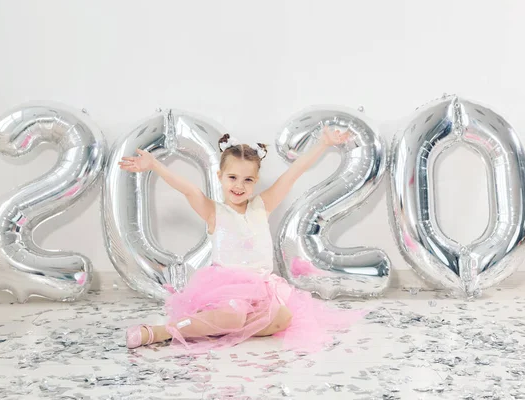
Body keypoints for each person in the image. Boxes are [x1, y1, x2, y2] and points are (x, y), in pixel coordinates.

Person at [118, 127, 367, 352]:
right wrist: (154, 165)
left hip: (262, 289)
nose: (239, 185)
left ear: (255, 181)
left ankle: (212, 327)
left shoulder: (262, 206)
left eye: (247, 180)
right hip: (226, 288)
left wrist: (322, 143)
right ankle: (161, 332)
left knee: (283, 318)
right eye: (232, 178)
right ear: (220, 177)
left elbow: (294, 173)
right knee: (235, 315)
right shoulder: (214, 212)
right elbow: (188, 189)